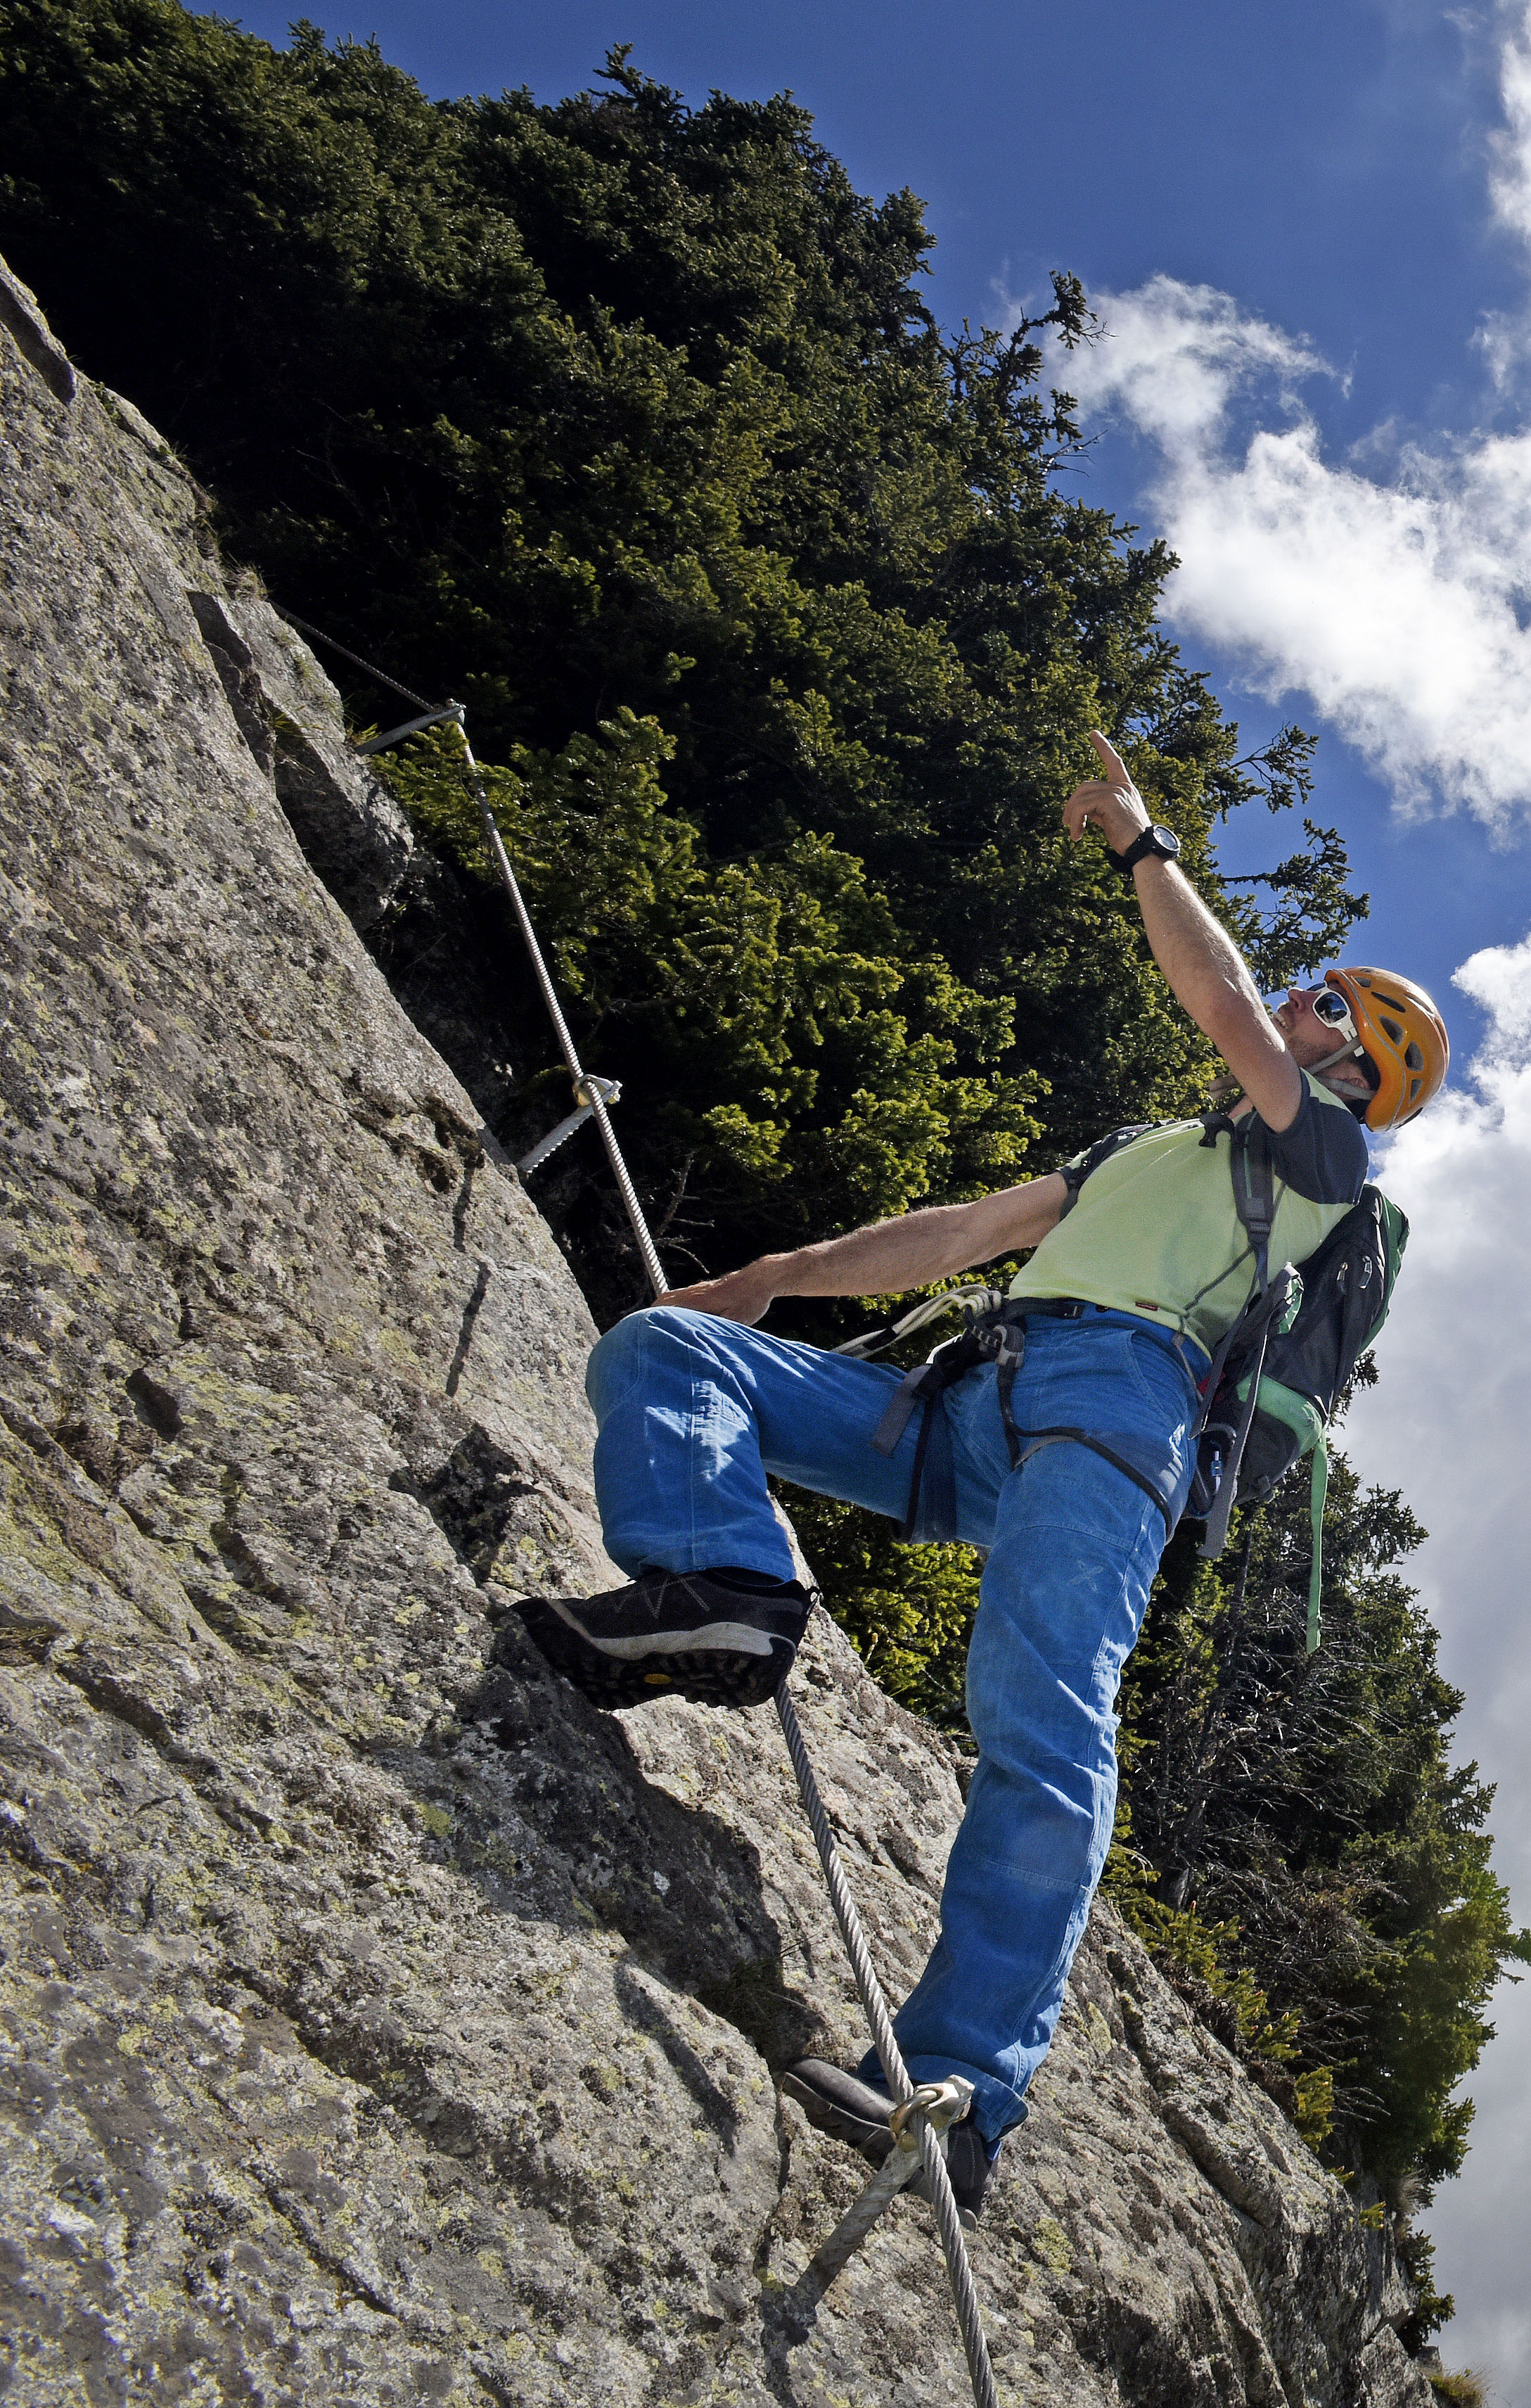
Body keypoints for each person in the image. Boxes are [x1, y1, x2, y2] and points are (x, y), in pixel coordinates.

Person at [506, 732, 1449, 2208]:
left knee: (1043, 1715)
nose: (1291, 995)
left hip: (1121, 1415)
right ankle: (732, 1590)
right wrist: (764, 1278)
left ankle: (957, 2093)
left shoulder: (1328, 1162)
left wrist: (1144, 847)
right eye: (1309, 984)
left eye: (1329, 999)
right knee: (662, 1352)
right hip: (981, 1399)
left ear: (1358, 1061)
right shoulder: (1151, 1148)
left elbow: (1211, 999)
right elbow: (959, 1232)